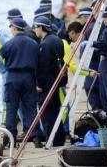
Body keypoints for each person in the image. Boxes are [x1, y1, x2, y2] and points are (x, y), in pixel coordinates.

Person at [0, 18, 43, 148]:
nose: (10, 29)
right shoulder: (33, 44)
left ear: (14, 28)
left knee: (11, 109)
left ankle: (11, 139)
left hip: (13, 78)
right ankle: (36, 136)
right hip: (29, 78)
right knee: (31, 108)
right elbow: (39, 64)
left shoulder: (10, 44)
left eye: (10, 26)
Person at [34, 16, 66, 146]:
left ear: (41, 27)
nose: (35, 30)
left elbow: (43, 67)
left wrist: (39, 84)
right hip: (56, 80)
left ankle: (52, 138)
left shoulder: (45, 44)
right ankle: (59, 138)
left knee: (47, 111)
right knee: (55, 110)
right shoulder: (57, 40)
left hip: (47, 83)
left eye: (35, 27)